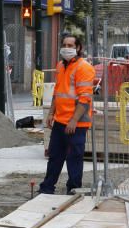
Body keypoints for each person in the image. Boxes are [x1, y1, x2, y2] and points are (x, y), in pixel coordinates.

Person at [40, 33, 95, 194]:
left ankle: (73, 190)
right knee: (55, 157)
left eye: (71, 45)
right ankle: (47, 188)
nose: (67, 48)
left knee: (74, 159)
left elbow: (85, 98)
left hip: (76, 123)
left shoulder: (84, 67)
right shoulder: (61, 66)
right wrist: (51, 114)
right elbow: (58, 92)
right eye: (65, 45)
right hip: (60, 120)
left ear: (78, 48)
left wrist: (73, 120)